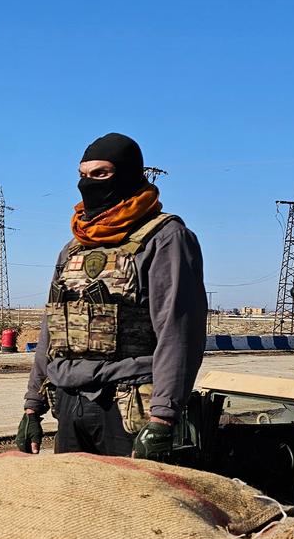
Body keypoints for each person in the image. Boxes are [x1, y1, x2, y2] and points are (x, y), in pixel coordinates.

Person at [16, 132, 207, 461]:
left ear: (130, 175)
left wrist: (163, 417)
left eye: (101, 174)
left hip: (128, 406)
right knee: (72, 506)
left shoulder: (165, 239)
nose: (88, 184)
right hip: (69, 404)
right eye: (83, 175)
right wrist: (33, 406)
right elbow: (53, 329)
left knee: (132, 509)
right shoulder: (73, 247)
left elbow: (178, 333)